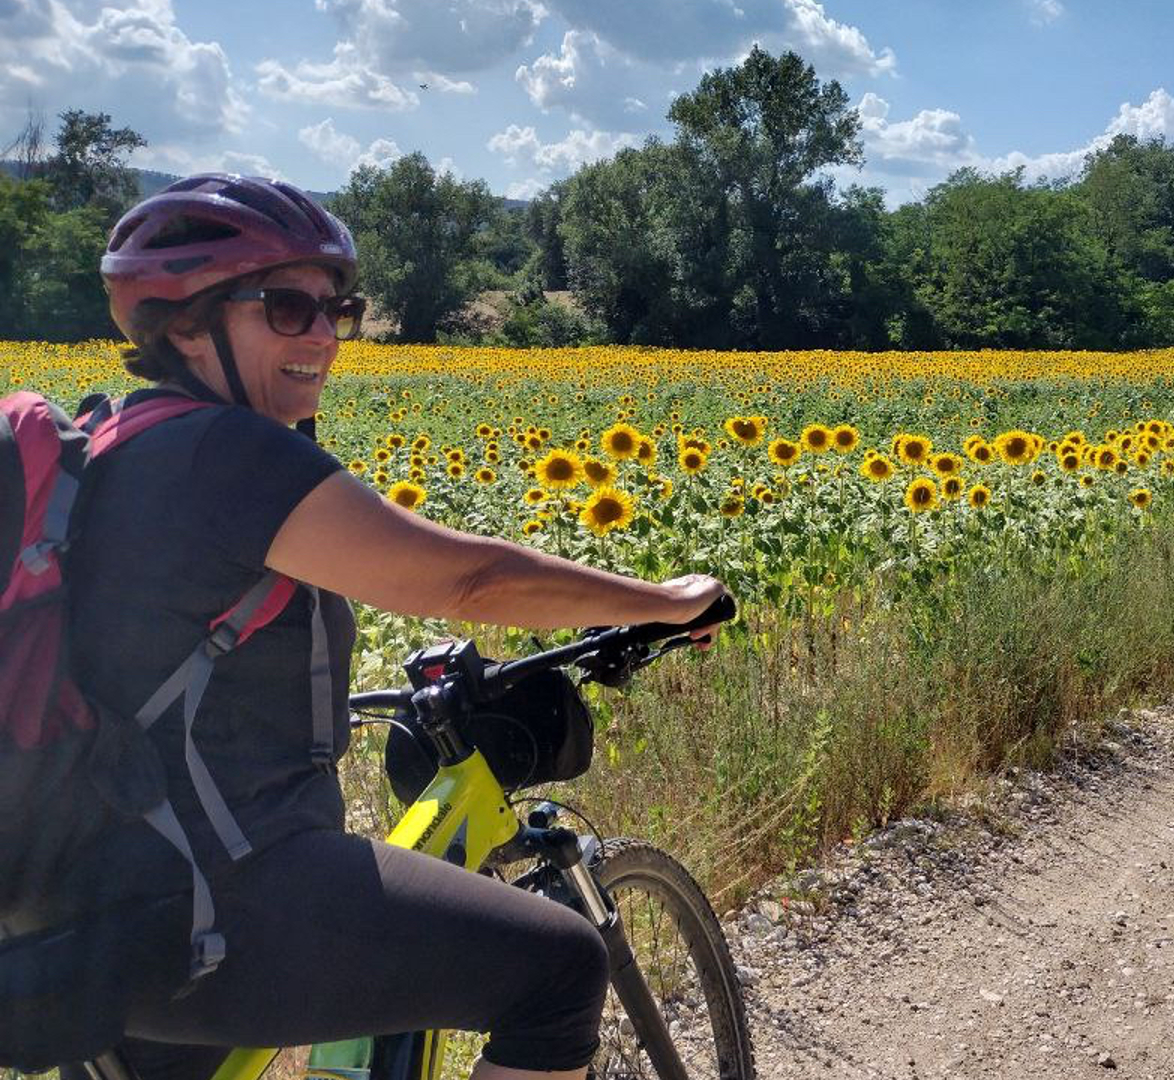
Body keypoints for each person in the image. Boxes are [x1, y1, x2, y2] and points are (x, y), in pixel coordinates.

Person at [54, 173, 728, 1080]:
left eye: (341, 308)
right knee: (559, 969)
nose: (325, 335)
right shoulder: (229, 452)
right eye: (288, 306)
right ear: (183, 323)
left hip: (101, 896)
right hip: (218, 900)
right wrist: (663, 598)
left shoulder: (121, 439)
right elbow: (472, 578)